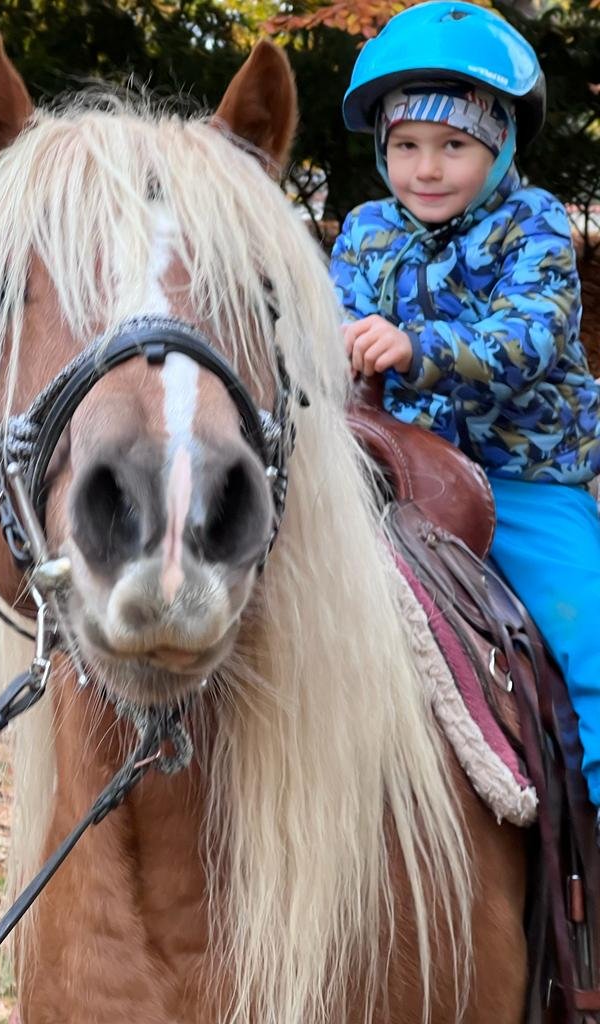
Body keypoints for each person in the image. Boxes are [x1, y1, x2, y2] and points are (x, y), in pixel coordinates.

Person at [330, 0, 600, 819]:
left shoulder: (534, 224)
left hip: (522, 479)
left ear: (501, 144)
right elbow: (330, 320)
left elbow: (531, 336)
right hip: (395, 475)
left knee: (589, 640)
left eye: (454, 145)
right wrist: (332, 342)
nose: (427, 168)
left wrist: (417, 348)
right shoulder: (365, 232)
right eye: (406, 145)